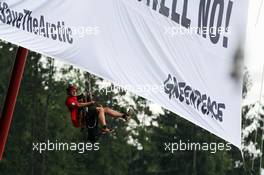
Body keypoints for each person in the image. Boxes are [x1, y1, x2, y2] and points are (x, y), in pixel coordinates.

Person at [65, 83, 132, 133]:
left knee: (106, 109)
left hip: (86, 114)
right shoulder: (69, 100)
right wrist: (90, 103)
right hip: (80, 119)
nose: (75, 91)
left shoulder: (75, 97)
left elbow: (82, 100)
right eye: (72, 90)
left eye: (75, 90)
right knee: (100, 109)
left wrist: (88, 97)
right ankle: (104, 127)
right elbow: (78, 105)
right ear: (69, 92)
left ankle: (124, 116)